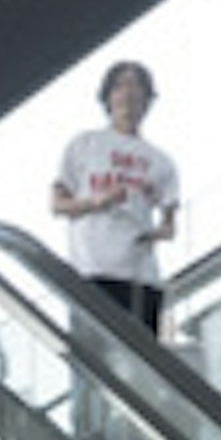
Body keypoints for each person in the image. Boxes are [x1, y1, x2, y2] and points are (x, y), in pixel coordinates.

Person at [49, 57, 180, 337]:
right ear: (108, 97)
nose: (130, 94)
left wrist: (158, 232)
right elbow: (57, 204)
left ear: (148, 99)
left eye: (138, 87)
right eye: (121, 85)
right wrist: (96, 202)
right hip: (93, 269)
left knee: (143, 365)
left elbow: (170, 223)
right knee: (95, 360)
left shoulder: (161, 161)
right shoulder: (85, 144)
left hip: (140, 274)